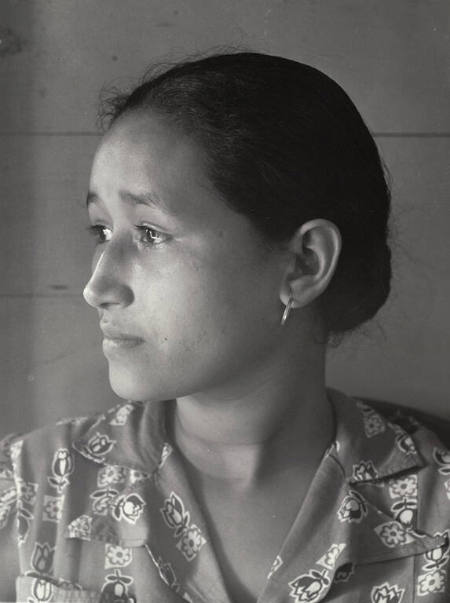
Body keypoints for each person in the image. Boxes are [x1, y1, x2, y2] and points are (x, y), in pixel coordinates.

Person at [0, 51, 448, 603]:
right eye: (101, 230)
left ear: (304, 262)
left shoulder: (437, 514)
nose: (99, 287)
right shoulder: (27, 493)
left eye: (150, 233)